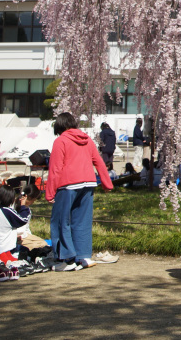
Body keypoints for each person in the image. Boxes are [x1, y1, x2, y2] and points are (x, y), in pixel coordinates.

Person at [46, 111, 114, 271]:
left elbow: (55, 169)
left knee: (61, 221)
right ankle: (83, 256)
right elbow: (98, 161)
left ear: (59, 126)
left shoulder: (61, 141)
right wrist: (107, 183)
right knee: (82, 222)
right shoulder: (87, 139)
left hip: (67, 185)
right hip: (88, 183)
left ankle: (67, 259)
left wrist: (49, 193)